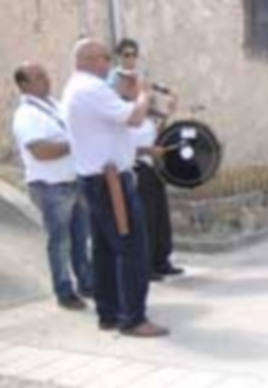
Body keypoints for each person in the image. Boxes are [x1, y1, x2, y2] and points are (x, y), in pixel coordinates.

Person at [62, 38, 168, 337]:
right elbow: (135, 118)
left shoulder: (77, 88)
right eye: (105, 58)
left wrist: (127, 96)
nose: (109, 64)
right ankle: (133, 318)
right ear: (89, 59)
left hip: (95, 178)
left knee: (106, 249)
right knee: (132, 248)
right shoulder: (91, 89)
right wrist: (143, 95)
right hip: (110, 181)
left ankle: (109, 312)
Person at [11, 63, 94, 310]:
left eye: (45, 74)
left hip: (74, 182)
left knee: (81, 237)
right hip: (51, 187)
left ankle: (87, 282)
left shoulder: (55, 105)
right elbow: (41, 152)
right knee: (60, 241)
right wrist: (74, 145)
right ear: (24, 85)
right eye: (38, 77)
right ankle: (64, 291)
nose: (46, 80)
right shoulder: (26, 115)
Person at [109, 39, 184, 281]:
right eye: (126, 54)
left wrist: (169, 112)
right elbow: (123, 145)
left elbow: (156, 131)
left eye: (134, 54)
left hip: (154, 168)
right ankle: (147, 266)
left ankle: (162, 260)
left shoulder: (144, 112)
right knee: (146, 219)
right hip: (137, 168)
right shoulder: (120, 106)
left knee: (160, 216)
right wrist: (146, 152)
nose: (130, 59)